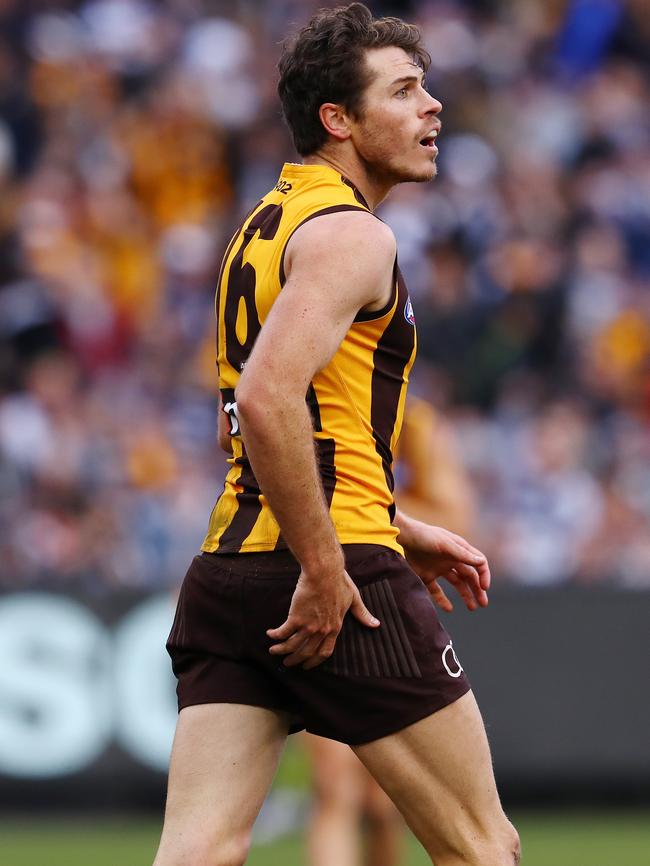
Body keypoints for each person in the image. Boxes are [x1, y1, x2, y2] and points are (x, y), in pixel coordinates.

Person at [155, 5, 520, 866]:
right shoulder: (355, 234)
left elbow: (236, 427)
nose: (432, 106)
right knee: (482, 845)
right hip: (335, 572)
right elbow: (268, 398)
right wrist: (328, 565)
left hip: (228, 574)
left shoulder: (259, 230)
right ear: (339, 120)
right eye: (404, 90)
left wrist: (400, 524)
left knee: (198, 849)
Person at [303, 396, 478, 866]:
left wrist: (369, 517)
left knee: (383, 803)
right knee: (336, 787)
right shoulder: (299, 402)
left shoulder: (410, 420)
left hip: (384, 606)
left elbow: (455, 516)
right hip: (313, 595)